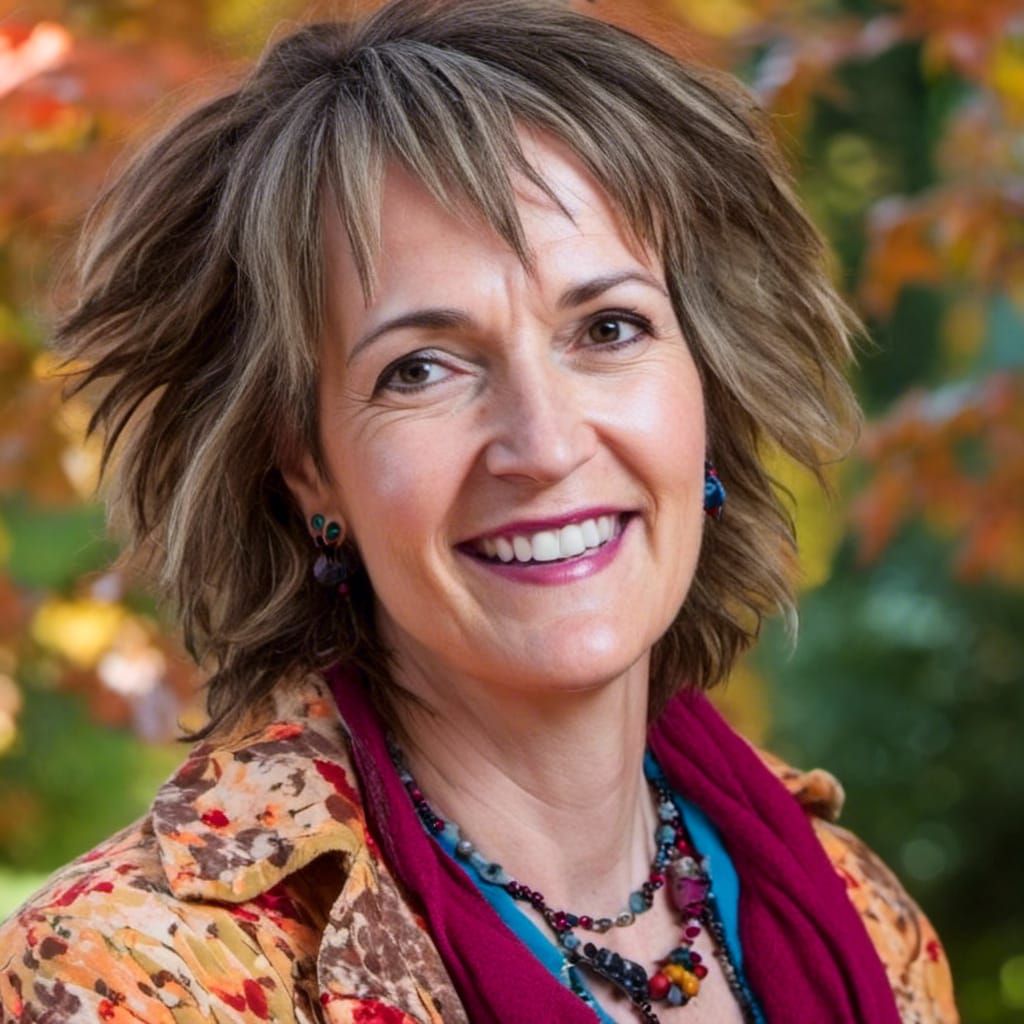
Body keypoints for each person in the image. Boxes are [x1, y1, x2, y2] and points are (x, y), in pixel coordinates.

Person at [0, 1, 959, 1021]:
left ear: (706, 391)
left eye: (608, 327)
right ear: (304, 464)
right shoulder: (138, 971)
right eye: (419, 368)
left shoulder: (858, 914)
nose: (544, 445)